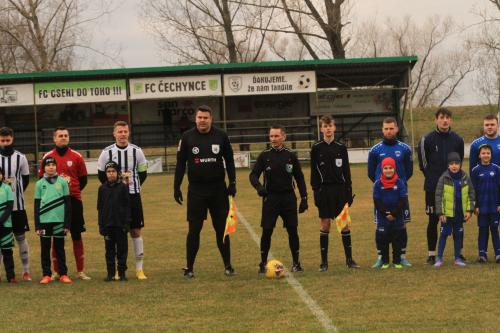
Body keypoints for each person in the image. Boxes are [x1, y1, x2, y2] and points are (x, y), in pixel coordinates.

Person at [174, 105, 237, 278]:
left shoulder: (221, 135)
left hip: (218, 190)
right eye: (200, 117)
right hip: (196, 191)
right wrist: (176, 186)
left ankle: (228, 266)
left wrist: (232, 182)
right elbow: (180, 164)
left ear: (211, 119)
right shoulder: (187, 137)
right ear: (196, 119)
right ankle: (189, 268)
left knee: (221, 230)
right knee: (194, 230)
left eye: (205, 118)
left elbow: (230, 160)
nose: (202, 120)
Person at [250, 125, 308, 273]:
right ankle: (263, 263)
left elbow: (299, 177)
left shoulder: (291, 155)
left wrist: (304, 198)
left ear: (283, 137)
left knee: (292, 230)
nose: (273, 139)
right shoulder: (264, 155)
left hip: (288, 198)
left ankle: (296, 263)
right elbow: (253, 175)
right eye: (271, 136)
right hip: (270, 198)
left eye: (276, 136)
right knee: (267, 230)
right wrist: (259, 187)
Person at [97, 121, 148, 280]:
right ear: (114, 134)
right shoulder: (106, 152)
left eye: (125, 131)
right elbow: (101, 175)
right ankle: (118, 269)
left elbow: (143, 173)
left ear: (129, 133)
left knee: (135, 231)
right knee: (117, 231)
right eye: (120, 132)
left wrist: (130, 186)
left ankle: (139, 269)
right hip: (114, 197)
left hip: (133, 195)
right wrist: (115, 189)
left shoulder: (137, 151)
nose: (123, 134)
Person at [38, 127, 90, 280]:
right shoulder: (48, 157)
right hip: (54, 203)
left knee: (76, 234)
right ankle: (56, 271)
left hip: (73, 201)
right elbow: (42, 181)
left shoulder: (77, 156)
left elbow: (83, 180)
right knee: (56, 235)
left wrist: (70, 192)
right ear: (54, 139)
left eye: (66, 135)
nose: (63, 138)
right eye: (60, 136)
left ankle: (80, 271)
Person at [310, 115, 359, 271]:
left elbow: (346, 171)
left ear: (334, 127)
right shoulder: (316, 148)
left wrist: (348, 191)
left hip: (340, 190)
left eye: (330, 125)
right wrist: (316, 192)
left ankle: (349, 260)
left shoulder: (341, 147)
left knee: (343, 225)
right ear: (321, 128)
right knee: (325, 224)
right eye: (325, 126)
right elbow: (313, 173)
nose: (328, 128)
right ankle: (324, 263)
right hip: (324, 190)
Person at [417, 108, 464, 264]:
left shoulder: (458, 140)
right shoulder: (426, 140)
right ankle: (431, 254)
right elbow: (423, 165)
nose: (445, 120)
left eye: (447, 118)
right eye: (442, 117)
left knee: (456, 219)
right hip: (432, 188)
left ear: (451, 120)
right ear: (436, 119)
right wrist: (434, 180)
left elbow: (459, 161)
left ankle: (459, 253)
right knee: (433, 220)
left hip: (453, 188)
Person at [368, 117, 413, 267]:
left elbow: (409, 172)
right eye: (386, 128)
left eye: (391, 128)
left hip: (400, 196)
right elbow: (371, 173)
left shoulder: (405, 149)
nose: (389, 131)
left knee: (402, 226)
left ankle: (402, 256)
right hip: (381, 196)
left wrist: (399, 186)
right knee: (380, 227)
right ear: (382, 130)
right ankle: (381, 257)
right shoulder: (375, 150)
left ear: (396, 129)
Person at [0, 127, 31, 281]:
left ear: (12, 139)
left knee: (20, 236)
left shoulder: (21, 157)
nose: (5, 143)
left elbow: (25, 179)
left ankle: (26, 271)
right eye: (2, 140)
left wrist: (15, 193)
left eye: (8, 140)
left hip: (17, 206)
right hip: (0, 208)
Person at [434, 152, 475, 267]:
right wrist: (440, 212)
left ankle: (457, 258)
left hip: (459, 214)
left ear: (460, 164)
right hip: (447, 215)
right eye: (451, 163)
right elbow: (438, 196)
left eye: (456, 163)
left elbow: (471, 194)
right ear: (448, 165)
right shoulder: (444, 178)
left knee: (458, 236)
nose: (454, 166)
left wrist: (469, 210)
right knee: (443, 235)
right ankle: (439, 258)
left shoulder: (465, 177)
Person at [35, 157, 72, 284]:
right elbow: (36, 205)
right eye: (48, 165)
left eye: (53, 165)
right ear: (43, 168)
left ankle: (63, 274)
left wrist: (67, 224)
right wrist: (37, 225)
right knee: (45, 249)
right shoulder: (39, 183)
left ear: (56, 167)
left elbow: (68, 204)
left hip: (59, 221)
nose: (50, 167)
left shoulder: (63, 182)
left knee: (59, 248)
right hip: (44, 221)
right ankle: (46, 274)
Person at [469, 115, 500, 253]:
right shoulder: (476, 144)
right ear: (484, 126)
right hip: (485, 194)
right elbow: (472, 172)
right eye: (487, 124)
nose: (489, 127)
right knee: (486, 226)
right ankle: (483, 252)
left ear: (497, 125)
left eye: (492, 124)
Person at [97, 161, 131, 281]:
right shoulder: (102, 189)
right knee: (109, 251)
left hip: (120, 225)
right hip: (107, 226)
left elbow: (127, 206)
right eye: (108, 172)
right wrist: (101, 225)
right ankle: (110, 273)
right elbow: (100, 208)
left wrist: (127, 223)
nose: (111, 174)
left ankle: (121, 273)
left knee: (122, 250)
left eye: (113, 171)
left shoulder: (123, 187)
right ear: (105, 174)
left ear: (118, 173)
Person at [373, 157, 408, 269]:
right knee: (383, 240)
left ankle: (397, 261)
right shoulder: (378, 184)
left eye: (391, 168)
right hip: (383, 217)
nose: (388, 170)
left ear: (394, 168)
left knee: (397, 239)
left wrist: (394, 213)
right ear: (382, 170)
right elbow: (377, 201)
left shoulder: (400, 183)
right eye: (386, 168)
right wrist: (386, 213)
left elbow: (403, 200)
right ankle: (385, 261)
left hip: (397, 217)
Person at [0, 166, 16, 282]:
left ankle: (11, 276)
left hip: (5, 225)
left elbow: (9, 207)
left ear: (2, 175)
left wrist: (1, 221)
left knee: (7, 252)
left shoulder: (7, 188)